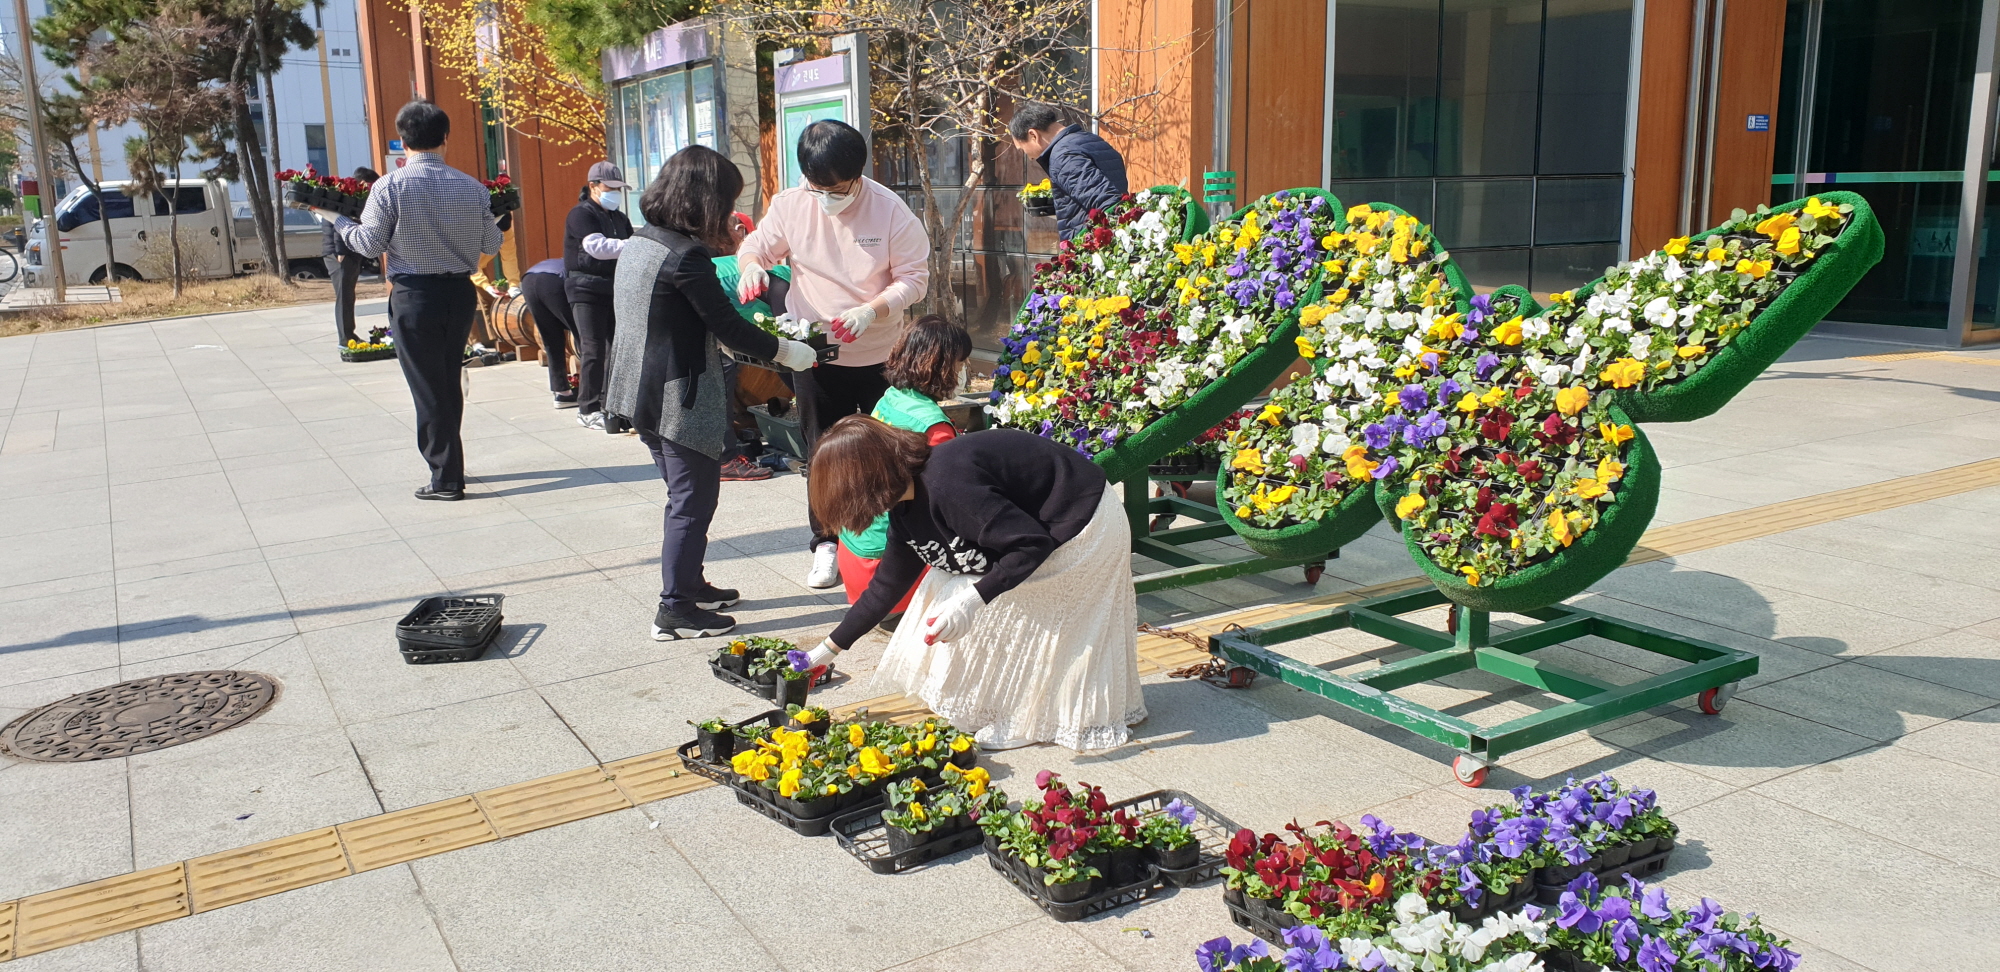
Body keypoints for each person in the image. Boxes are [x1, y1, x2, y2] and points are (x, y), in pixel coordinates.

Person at [802, 420, 1145, 751]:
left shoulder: (948, 484)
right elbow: (885, 587)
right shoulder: (906, 508)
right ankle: (1003, 704)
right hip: (1039, 532)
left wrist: (973, 601)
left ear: (865, 484)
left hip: (1083, 526)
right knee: (943, 586)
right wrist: (828, 649)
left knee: (995, 603)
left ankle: (1030, 720)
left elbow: (1030, 545)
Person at [608, 145, 820, 640]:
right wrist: (788, 353)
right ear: (704, 200)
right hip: (678, 397)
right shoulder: (687, 258)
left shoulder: (643, 242)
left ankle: (690, 582)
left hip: (637, 391)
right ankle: (675, 608)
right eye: (726, 201)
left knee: (685, 495)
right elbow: (730, 327)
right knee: (692, 501)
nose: (727, 213)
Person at [735, 119, 930, 591]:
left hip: (880, 350)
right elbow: (756, 246)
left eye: (837, 188)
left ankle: (900, 536)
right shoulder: (791, 204)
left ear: (858, 176)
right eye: (817, 187)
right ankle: (825, 542)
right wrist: (749, 269)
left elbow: (914, 279)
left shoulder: (890, 211)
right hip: (815, 353)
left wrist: (872, 308)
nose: (826, 197)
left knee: (892, 448)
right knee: (822, 451)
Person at [323, 100, 502, 502]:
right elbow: (492, 242)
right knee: (446, 380)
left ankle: (445, 478)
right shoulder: (471, 187)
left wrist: (335, 219)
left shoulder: (389, 187)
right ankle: (450, 465)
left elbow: (369, 244)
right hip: (458, 293)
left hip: (414, 295)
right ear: (445, 138)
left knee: (427, 387)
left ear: (403, 141)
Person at [834, 315, 970, 611]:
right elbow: (948, 502)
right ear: (943, 365)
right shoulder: (934, 428)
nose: (962, 372)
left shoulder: (890, 398)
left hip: (855, 555)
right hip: (891, 576)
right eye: (960, 364)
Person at [566, 161, 635, 433]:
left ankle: (614, 405)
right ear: (593, 186)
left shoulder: (619, 218)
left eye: (619, 189)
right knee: (593, 348)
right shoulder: (581, 214)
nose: (615, 194)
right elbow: (596, 247)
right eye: (610, 188)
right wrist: (634, 245)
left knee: (617, 349)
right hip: (585, 289)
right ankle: (588, 408)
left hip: (613, 288)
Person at [1007, 103, 1130, 241]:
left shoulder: (1063, 156)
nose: (1029, 157)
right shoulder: (1091, 140)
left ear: (1033, 135)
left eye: (1022, 149)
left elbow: (1108, 203)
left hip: (1095, 246)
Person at [322, 166, 379, 348]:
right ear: (362, 183)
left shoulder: (348, 195)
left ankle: (349, 335)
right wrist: (341, 252)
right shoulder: (344, 196)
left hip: (349, 252)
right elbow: (338, 225)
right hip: (340, 254)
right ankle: (346, 339)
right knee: (344, 296)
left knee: (348, 296)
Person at [519, 258, 578, 407]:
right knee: (586, 335)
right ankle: (597, 393)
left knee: (551, 339)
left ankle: (562, 393)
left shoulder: (566, 258)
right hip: (554, 280)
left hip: (528, 279)